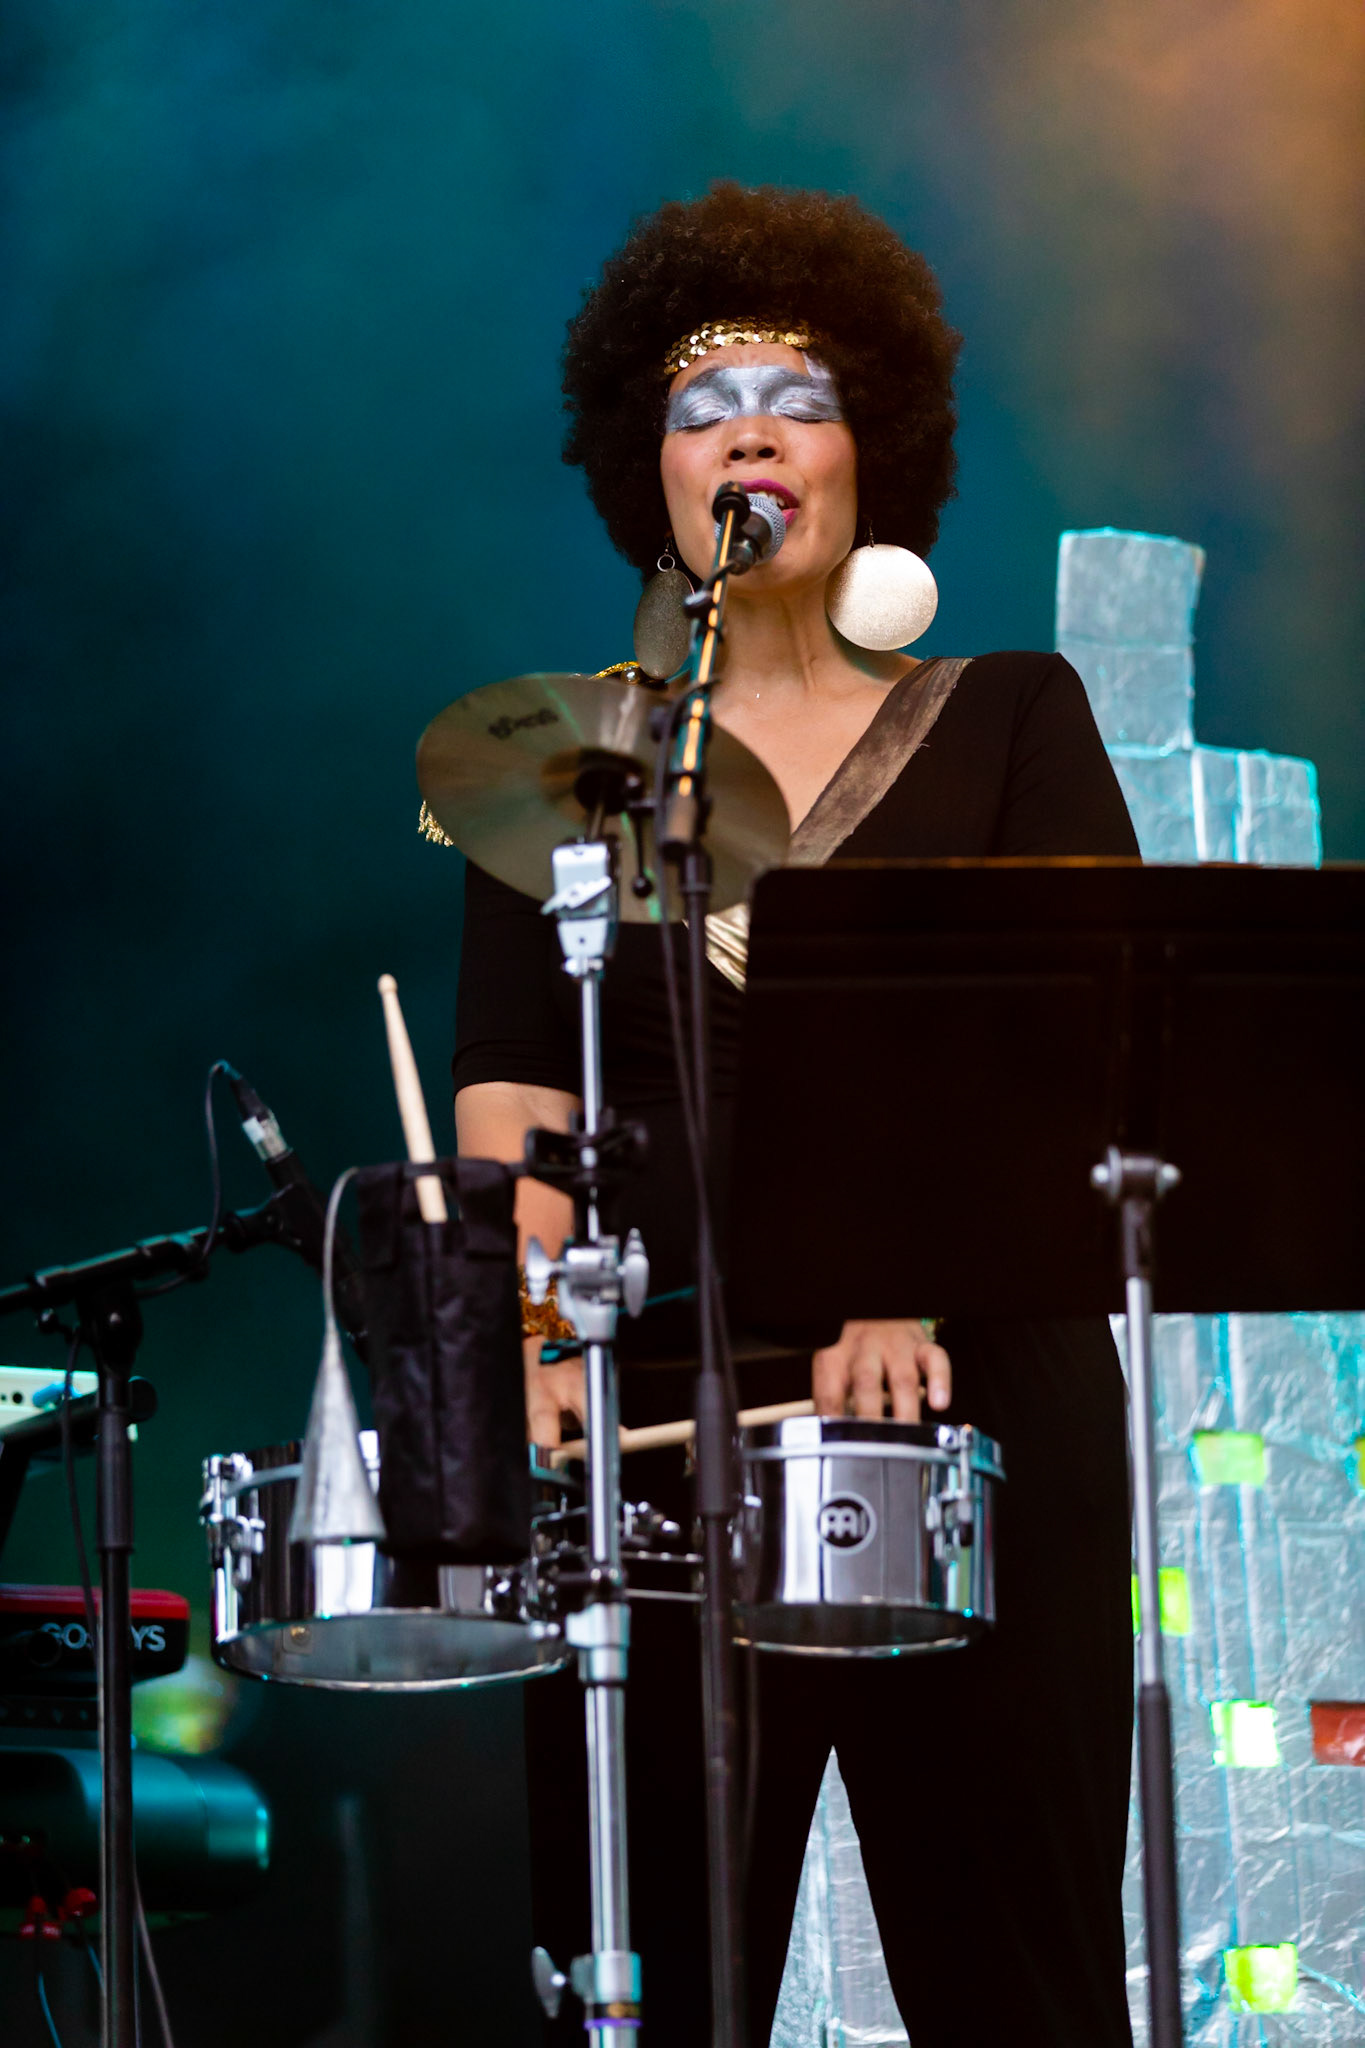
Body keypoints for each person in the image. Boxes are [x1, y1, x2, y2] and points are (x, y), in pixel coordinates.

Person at [450, 182, 1137, 2048]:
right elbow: (513, 1094)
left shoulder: (1007, 715)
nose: (745, 426)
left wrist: (906, 1283)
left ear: (868, 457)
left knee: (1023, 1980)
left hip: (971, 1405)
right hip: (661, 1420)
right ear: (647, 477)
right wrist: (535, 1334)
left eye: (796, 393)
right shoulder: (559, 767)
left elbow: (1063, 1052)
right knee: (641, 1978)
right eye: (697, 405)